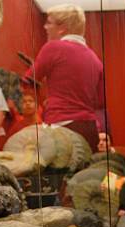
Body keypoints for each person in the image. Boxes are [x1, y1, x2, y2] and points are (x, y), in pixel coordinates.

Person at [24, 4, 104, 151]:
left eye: (49, 22)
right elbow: (99, 101)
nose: (45, 27)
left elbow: (28, 81)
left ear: (63, 28)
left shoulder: (53, 48)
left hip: (61, 127)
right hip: (90, 128)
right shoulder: (95, 59)